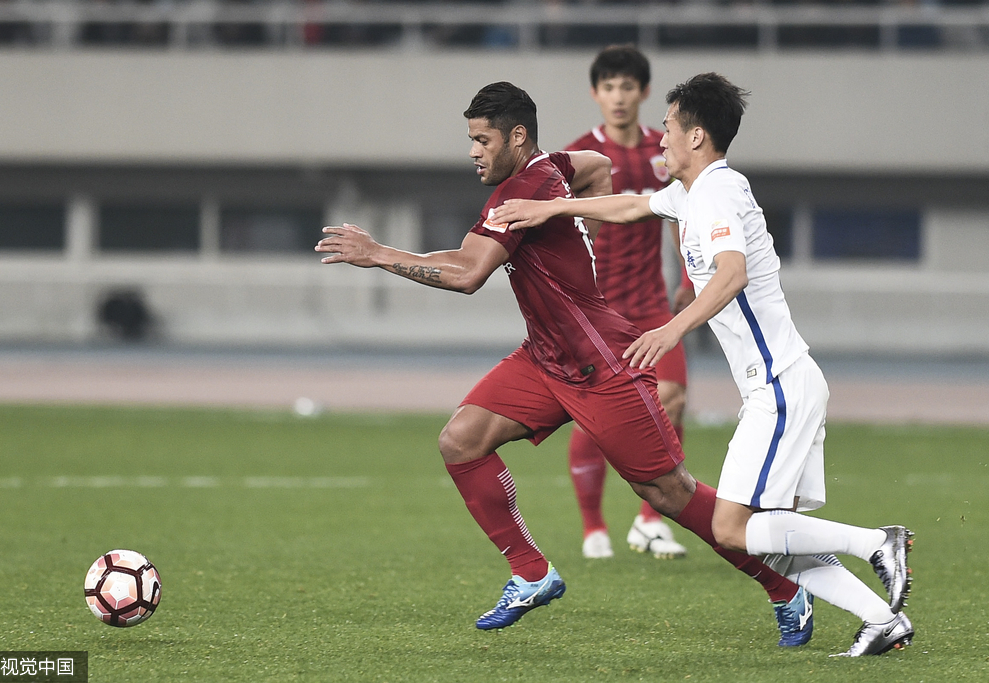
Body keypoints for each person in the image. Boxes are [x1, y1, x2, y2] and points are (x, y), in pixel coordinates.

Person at [316, 81, 815, 647]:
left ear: (517, 136)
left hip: (599, 364)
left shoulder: (520, 192)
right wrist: (578, 236)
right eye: (471, 140)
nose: (474, 151)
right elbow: (598, 166)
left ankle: (785, 588)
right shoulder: (552, 164)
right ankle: (531, 573)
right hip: (545, 356)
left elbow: (466, 273)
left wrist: (377, 253)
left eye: (483, 140)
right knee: (461, 440)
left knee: (667, 492)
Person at [491, 73, 914, 657]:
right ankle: (880, 618)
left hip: (780, 386)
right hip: (776, 387)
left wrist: (669, 330)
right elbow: (632, 205)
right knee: (767, 536)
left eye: (666, 128)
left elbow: (732, 272)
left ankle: (876, 542)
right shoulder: (693, 191)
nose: (659, 139)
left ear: (696, 136)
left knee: (732, 529)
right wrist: (554, 208)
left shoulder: (715, 192)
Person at [564, 44, 692, 561]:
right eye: (608, 87)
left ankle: (648, 520)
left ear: (642, 92)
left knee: (674, 397)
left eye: (627, 87)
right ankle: (594, 526)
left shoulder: (666, 151)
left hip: (652, 305)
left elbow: (687, 214)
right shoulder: (579, 155)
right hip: (594, 311)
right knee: (594, 419)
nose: (618, 97)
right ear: (596, 94)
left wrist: (689, 273)